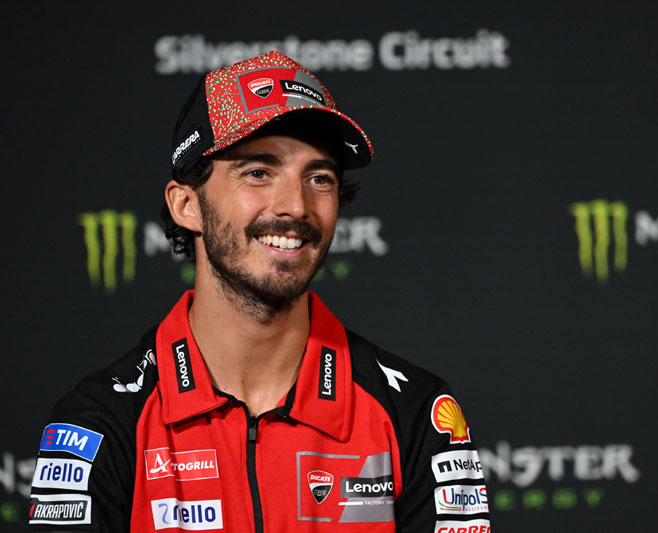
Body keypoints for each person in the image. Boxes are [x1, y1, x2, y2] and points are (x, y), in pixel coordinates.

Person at [29, 51, 490, 532]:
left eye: (319, 178)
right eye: (258, 172)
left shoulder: (415, 413)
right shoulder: (101, 422)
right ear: (186, 205)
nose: (295, 206)